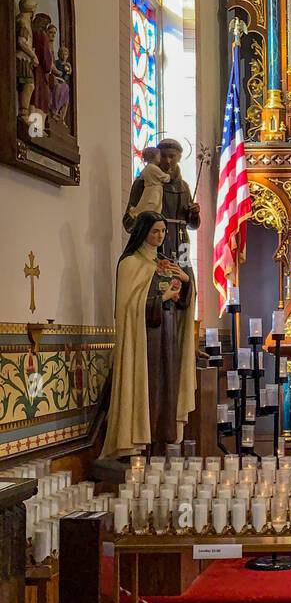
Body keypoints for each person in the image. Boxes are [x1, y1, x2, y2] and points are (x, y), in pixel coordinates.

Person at [101, 212, 196, 459]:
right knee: (149, 388)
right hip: (144, 340)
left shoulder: (164, 261)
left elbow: (184, 301)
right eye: (155, 231)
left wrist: (184, 280)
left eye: (163, 231)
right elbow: (128, 306)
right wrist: (161, 298)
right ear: (142, 232)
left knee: (167, 389)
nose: (160, 236)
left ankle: (160, 446)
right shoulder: (130, 263)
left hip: (167, 333)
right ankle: (139, 447)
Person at [123, 137, 201, 276]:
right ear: (157, 157)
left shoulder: (183, 187)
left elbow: (192, 225)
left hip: (181, 246)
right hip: (155, 246)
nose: (168, 161)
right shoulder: (144, 183)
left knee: (185, 287)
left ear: (179, 157)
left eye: (172, 156)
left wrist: (194, 214)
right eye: (164, 156)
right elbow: (128, 223)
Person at [128, 147, 170, 221]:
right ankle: (138, 214)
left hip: (149, 189)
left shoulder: (147, 168)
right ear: (153, 157)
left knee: (146, 204)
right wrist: (168, 176)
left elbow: (141, 175)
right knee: (152, 205)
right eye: (159, 155)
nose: (160, 157)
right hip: (154, 190)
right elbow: (163, 177)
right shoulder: (153, 168)